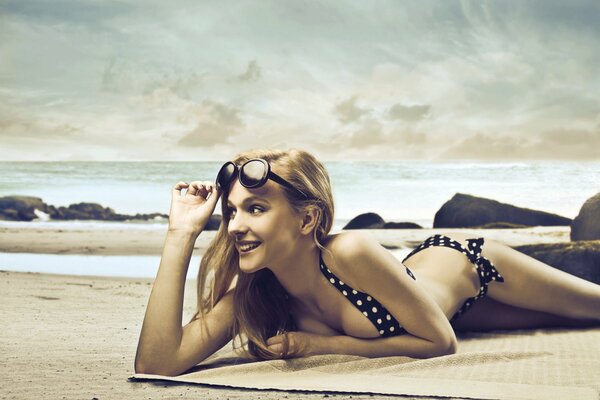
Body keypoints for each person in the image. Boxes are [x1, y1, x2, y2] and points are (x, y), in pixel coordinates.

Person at [135, 148, 600, 376]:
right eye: (233, 211)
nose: (235, 226)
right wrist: (180, 234)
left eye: (256, 209)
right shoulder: (254, 295)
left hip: (469, 267)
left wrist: (319, 347)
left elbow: (441, 343)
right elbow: (156, 365)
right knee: (581, 326)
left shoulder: (350, 253)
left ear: (307, 218)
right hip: (459, 313)